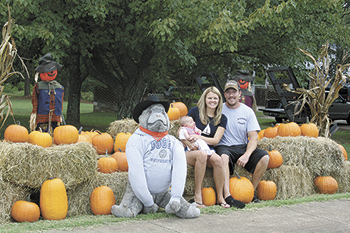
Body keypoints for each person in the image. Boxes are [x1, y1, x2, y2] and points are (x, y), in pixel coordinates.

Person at [182, 86, 245, 209]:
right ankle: (197, 195)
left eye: (215, 98)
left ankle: (220, 197)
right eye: (209, 97)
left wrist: (198, 137)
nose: (212, 100)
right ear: (205, 99)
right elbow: (182, 128)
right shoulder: (195, 112)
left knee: (218, 160)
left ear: (219, 100)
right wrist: (189, 143)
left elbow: (216, 140)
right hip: (191, 150)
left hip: (208, 149)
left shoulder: (221, 118)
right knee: (202, 155)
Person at [215, 80, 269, 203]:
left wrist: (247, 155)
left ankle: (251, 192)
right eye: (228, 92)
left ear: (240, 93)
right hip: (224, 146)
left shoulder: (247, 111)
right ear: (224, 95)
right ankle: (226, 195)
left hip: (242, 146)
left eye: (234, 92)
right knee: (223, 157)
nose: (231, 95)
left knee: (265, 157)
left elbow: (254, 138)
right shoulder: (219, 109)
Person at [30, 53, 64, 134]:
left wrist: (60, 113)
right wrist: (34, 113)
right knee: (42, 134)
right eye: (47, 70)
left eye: (52, 69)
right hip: (42, 115)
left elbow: (61, 102)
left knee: (56, 133)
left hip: (55, 115)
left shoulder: (59, 87)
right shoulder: (38, 87)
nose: (51, 72)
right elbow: (35, 101)